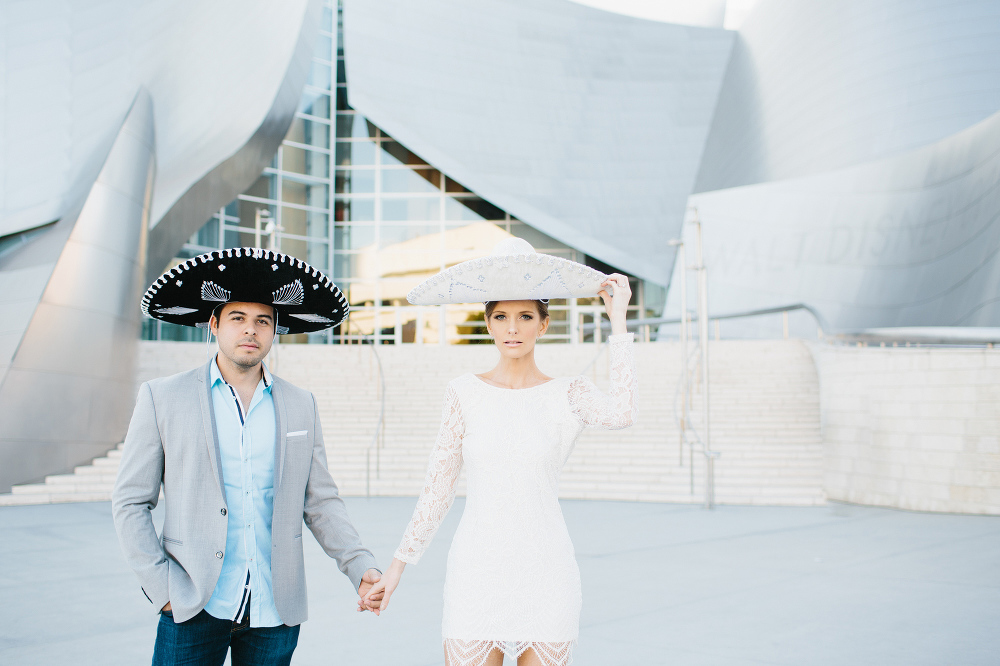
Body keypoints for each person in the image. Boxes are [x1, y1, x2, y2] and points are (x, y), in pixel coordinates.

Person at [361, 238, 638, 666]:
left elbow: (622, 412)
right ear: (488, 324)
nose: (513, 328)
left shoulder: (569, 393)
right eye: (502, 317)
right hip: (478, 573)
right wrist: (397, 569)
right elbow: (438, 487)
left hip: (547, 574)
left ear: (543, 325)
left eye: (525, 316)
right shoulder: (463, 393)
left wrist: (617, 320)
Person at [112, 247, 381, 666]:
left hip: (274, 610)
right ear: (214, 324)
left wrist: (359, 566)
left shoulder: (300, 404)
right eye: (238, 318)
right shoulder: (162, 398)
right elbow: (130, 502)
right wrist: (162, 588)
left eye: (263, 321)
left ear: (276, 331)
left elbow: (321, 501)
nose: (250, 331)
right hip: (192, 605)